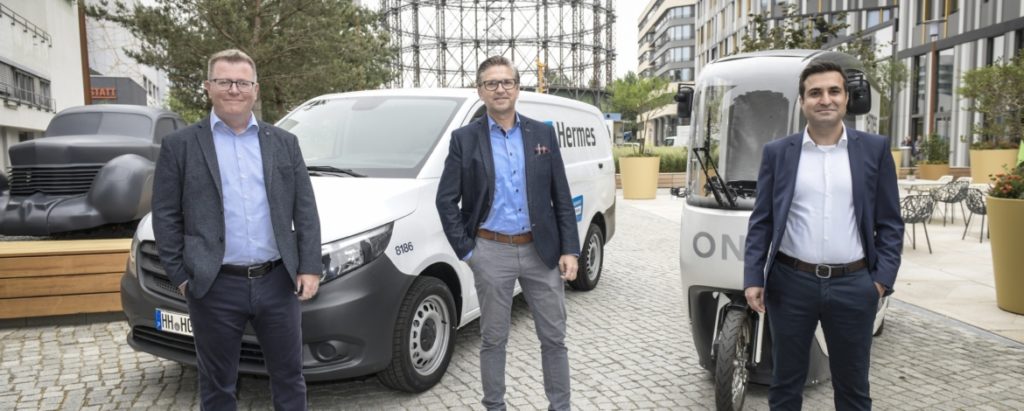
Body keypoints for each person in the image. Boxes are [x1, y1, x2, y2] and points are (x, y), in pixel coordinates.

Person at [152, 49, 322, 411]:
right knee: (217, 386)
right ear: (208, 87)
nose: (234, 89)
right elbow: (165, 216)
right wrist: (181, 277)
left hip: (277, 283)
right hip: (214, 286)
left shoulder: (284, 143)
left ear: (255, 89)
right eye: (224, 81)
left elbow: (305, 209)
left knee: (290, 378)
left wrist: (309, 266)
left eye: (242, 83)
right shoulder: (180, 146)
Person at [743, 61, 904, 410]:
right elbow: (762, 221)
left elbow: (891, 222)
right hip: (790, 284)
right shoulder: (778, 153)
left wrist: (880, 281)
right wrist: (754, 277)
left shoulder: (874, 149)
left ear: (846, 98)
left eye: (834, 91)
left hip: (855, 284)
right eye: (815, 93)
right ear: (803, 102)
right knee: (785, 386)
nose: (825, 99)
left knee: (854, 389)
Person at [435, 55, 580, 411]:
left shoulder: (542, 134)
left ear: (517, 88)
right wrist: (469, 252)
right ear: (480, 91)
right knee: (493, 339)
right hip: (491, 251)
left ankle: (560, 406)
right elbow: (445, 200)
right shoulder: (464, 139)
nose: (500, 89)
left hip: (541, 252)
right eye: (491, 83)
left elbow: (560, 196)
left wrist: (570, 249)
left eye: (507, 82)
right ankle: (494, 406)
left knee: (554, 338)